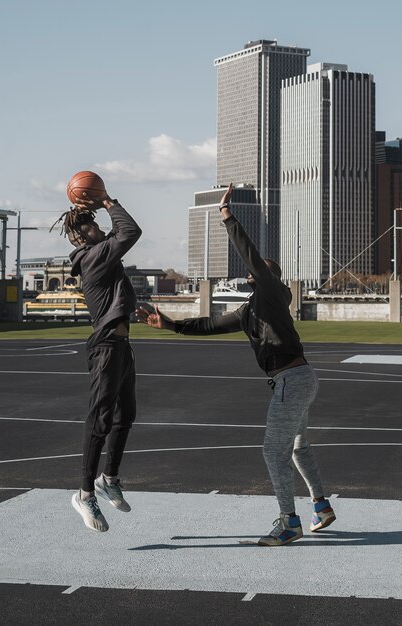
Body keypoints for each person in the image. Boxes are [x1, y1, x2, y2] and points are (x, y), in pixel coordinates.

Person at [137, 183, 335, 546]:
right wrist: (170, 324)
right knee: (296, 447)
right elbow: (209, 324)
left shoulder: (273, 291)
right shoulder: (249, 312)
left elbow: (251, 257)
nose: (250, 275)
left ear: (266, 276)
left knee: (272, 450)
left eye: (257, 271)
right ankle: (321, 506)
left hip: (292, 379)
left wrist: (227, 216)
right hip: (297, 379)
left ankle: (289, 521)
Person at [52, 186, 142, 532]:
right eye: (91, 225)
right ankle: (84, 492)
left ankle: (109, 479)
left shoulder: (102, 255)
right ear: (80, 237)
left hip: (120, 347)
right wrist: (107, 201)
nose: (100, 227)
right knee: (100, 419)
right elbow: (130, 231)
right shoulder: (94, 255)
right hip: (106, 347)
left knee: (126, 415)